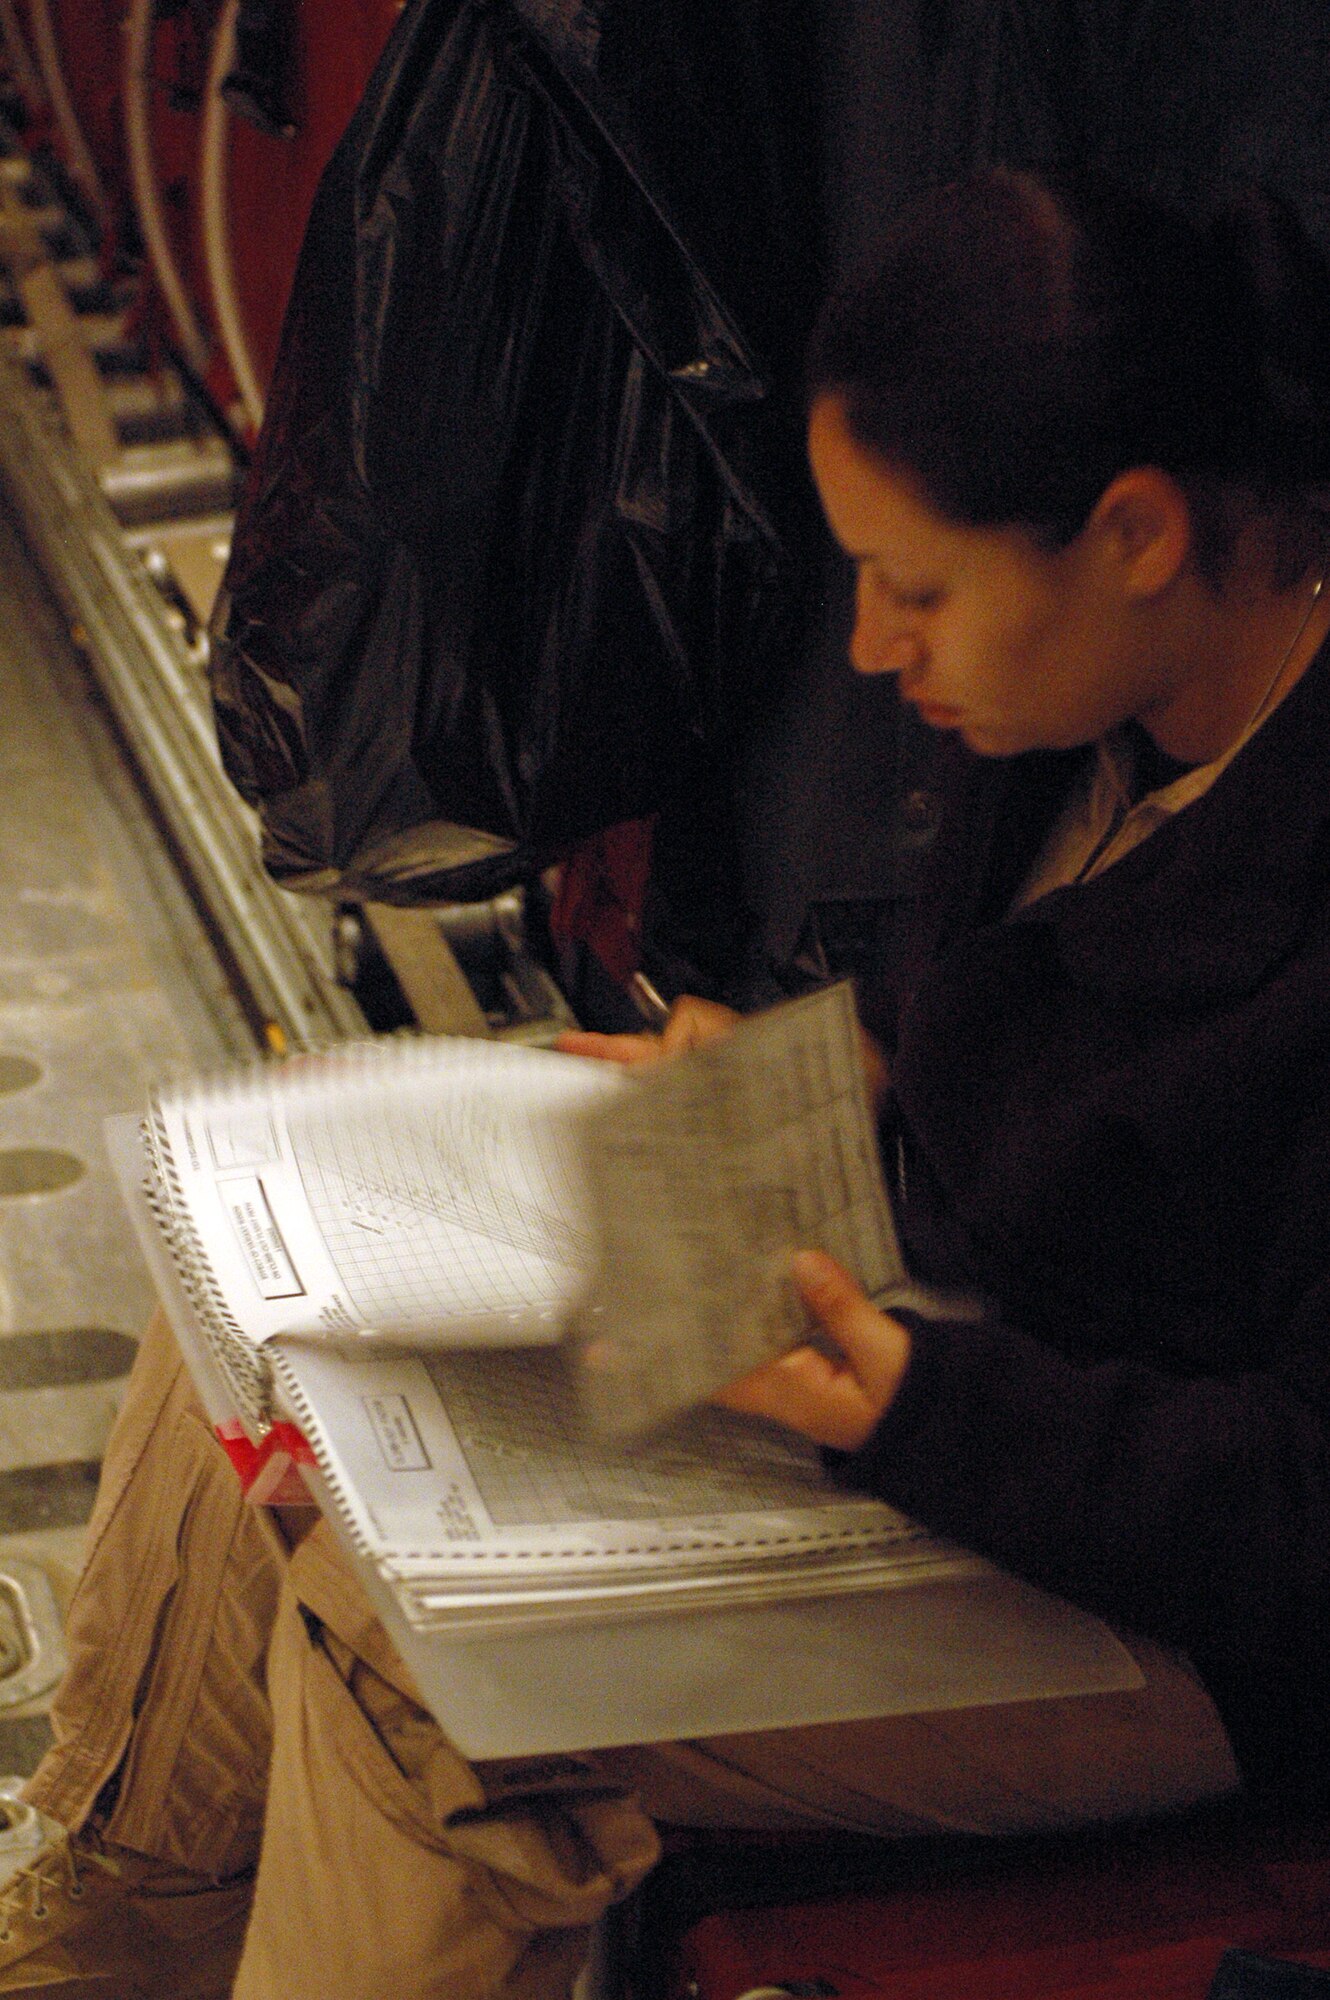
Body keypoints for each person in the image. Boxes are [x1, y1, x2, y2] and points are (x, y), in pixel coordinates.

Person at [5, 163, 1330, 1996]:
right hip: (946, 1370)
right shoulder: (1093, 701)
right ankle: (102, 1952)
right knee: (268, 1322)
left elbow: (1292, 1508)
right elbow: (1052, 1038)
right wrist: (837, 1072)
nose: (870, 648)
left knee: (421, 1664)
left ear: (1133, 533)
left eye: (911, 587)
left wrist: (904, 1403)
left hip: (1170, 1622)